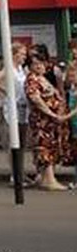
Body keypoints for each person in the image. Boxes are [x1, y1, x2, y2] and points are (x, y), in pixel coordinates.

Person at [25, 50, 72, 191]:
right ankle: (49, 180)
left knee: (50, 146)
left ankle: (45, 178)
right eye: (35, 64)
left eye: (41, 63)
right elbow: (36, 99)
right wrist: (52, 114)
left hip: (51, 120)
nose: (39, 66)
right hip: (43, 120)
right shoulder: (32, 79)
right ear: (30, 66)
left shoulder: (42, 78)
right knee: (45, 147)